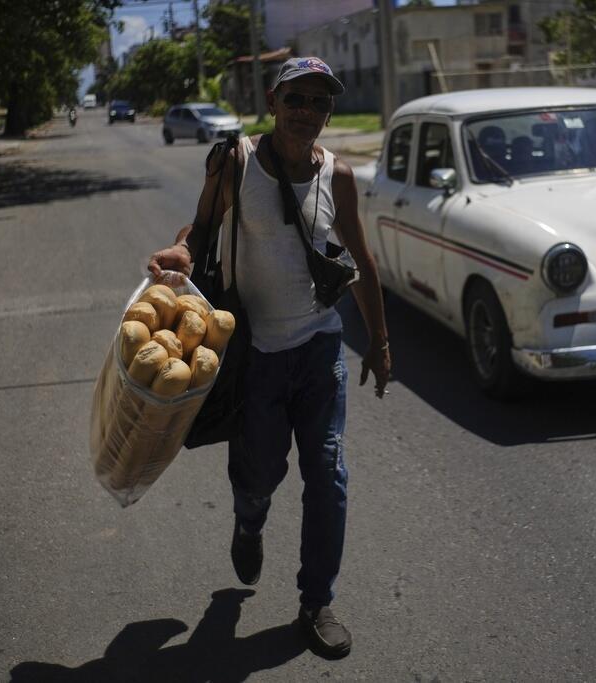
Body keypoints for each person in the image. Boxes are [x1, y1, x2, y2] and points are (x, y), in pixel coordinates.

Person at [147, 57, 390, 660]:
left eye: (319, 102)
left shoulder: (338, 176)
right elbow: (201, 229)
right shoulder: (236, 161)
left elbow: (358, 260)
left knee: (328, 477)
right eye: (297, 99)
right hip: (255, 354)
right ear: (274, 101)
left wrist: (381, 342)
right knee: (259, 477)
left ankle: (316, 602)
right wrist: (180, 251)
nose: (308, 112)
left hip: (320, 347)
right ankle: (249, 520)